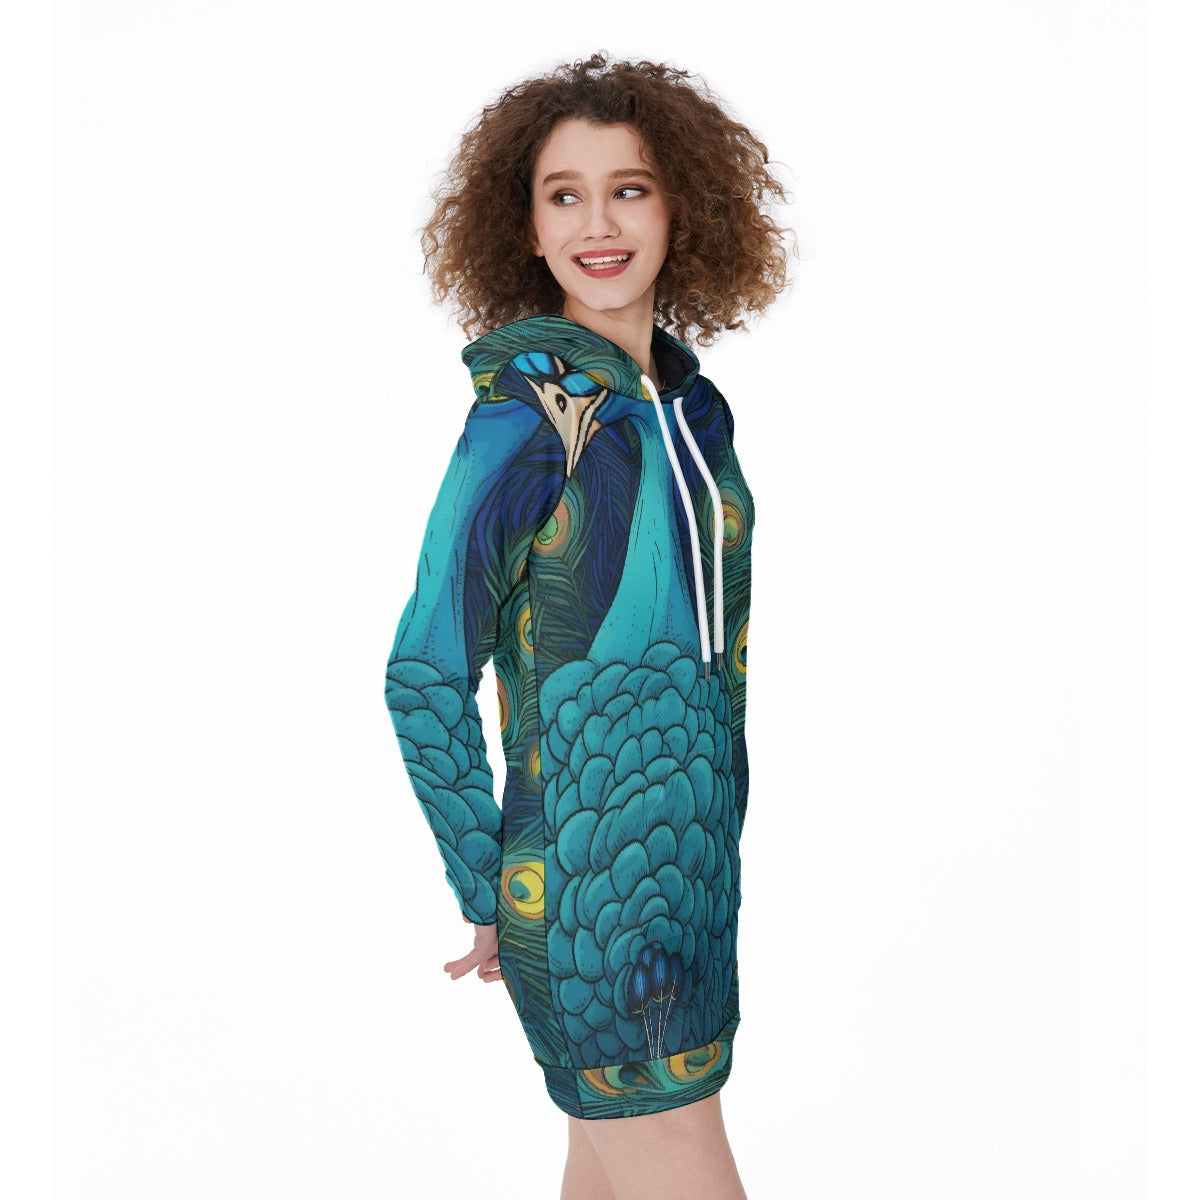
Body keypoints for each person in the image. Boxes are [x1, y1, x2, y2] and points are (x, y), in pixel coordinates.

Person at [384, 51, 792, 1200]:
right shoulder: (524, 421)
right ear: (526, 224)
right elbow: (424, 668)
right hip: (586, 902)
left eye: (630, 188)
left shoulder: (694, 412)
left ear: (680, 208)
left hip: (693, 879)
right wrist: (488, 881)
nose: (597, 223)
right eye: (564, 193)